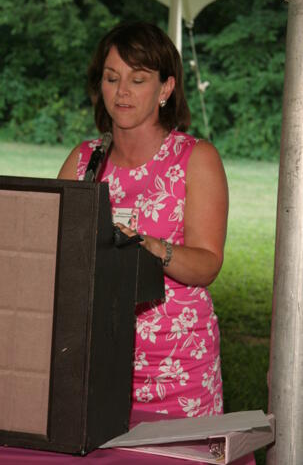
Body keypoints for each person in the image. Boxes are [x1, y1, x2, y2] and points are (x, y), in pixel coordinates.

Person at [59, 21, 228, 418]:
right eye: (111, 77)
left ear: (165, 89)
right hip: (96, 361)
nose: (122, 92)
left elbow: (207, 264)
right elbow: (53, 250)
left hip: (178, 366)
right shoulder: (83, 160)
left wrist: (155, 247)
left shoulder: (196, 159)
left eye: (138, 79)